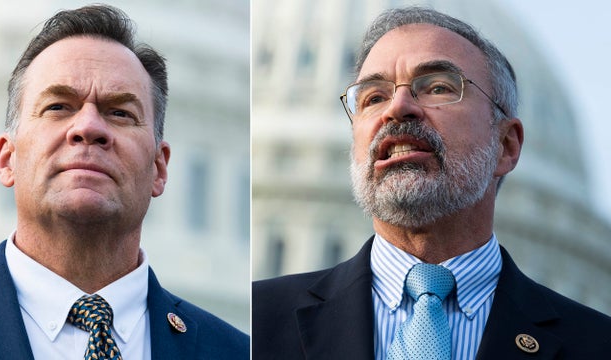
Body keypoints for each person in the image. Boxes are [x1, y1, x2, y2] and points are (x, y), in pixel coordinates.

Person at [0, 4, 248, 359]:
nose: (88, 128)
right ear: (6, 158)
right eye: (58, 107)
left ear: (159, 168)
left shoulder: (236, 351)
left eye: (120, 113)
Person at [252, 6, 611, 359]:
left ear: (506, 145)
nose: (398, 107)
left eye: (438, 87)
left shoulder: (597, 345)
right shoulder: (258, 326)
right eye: (374, 97)